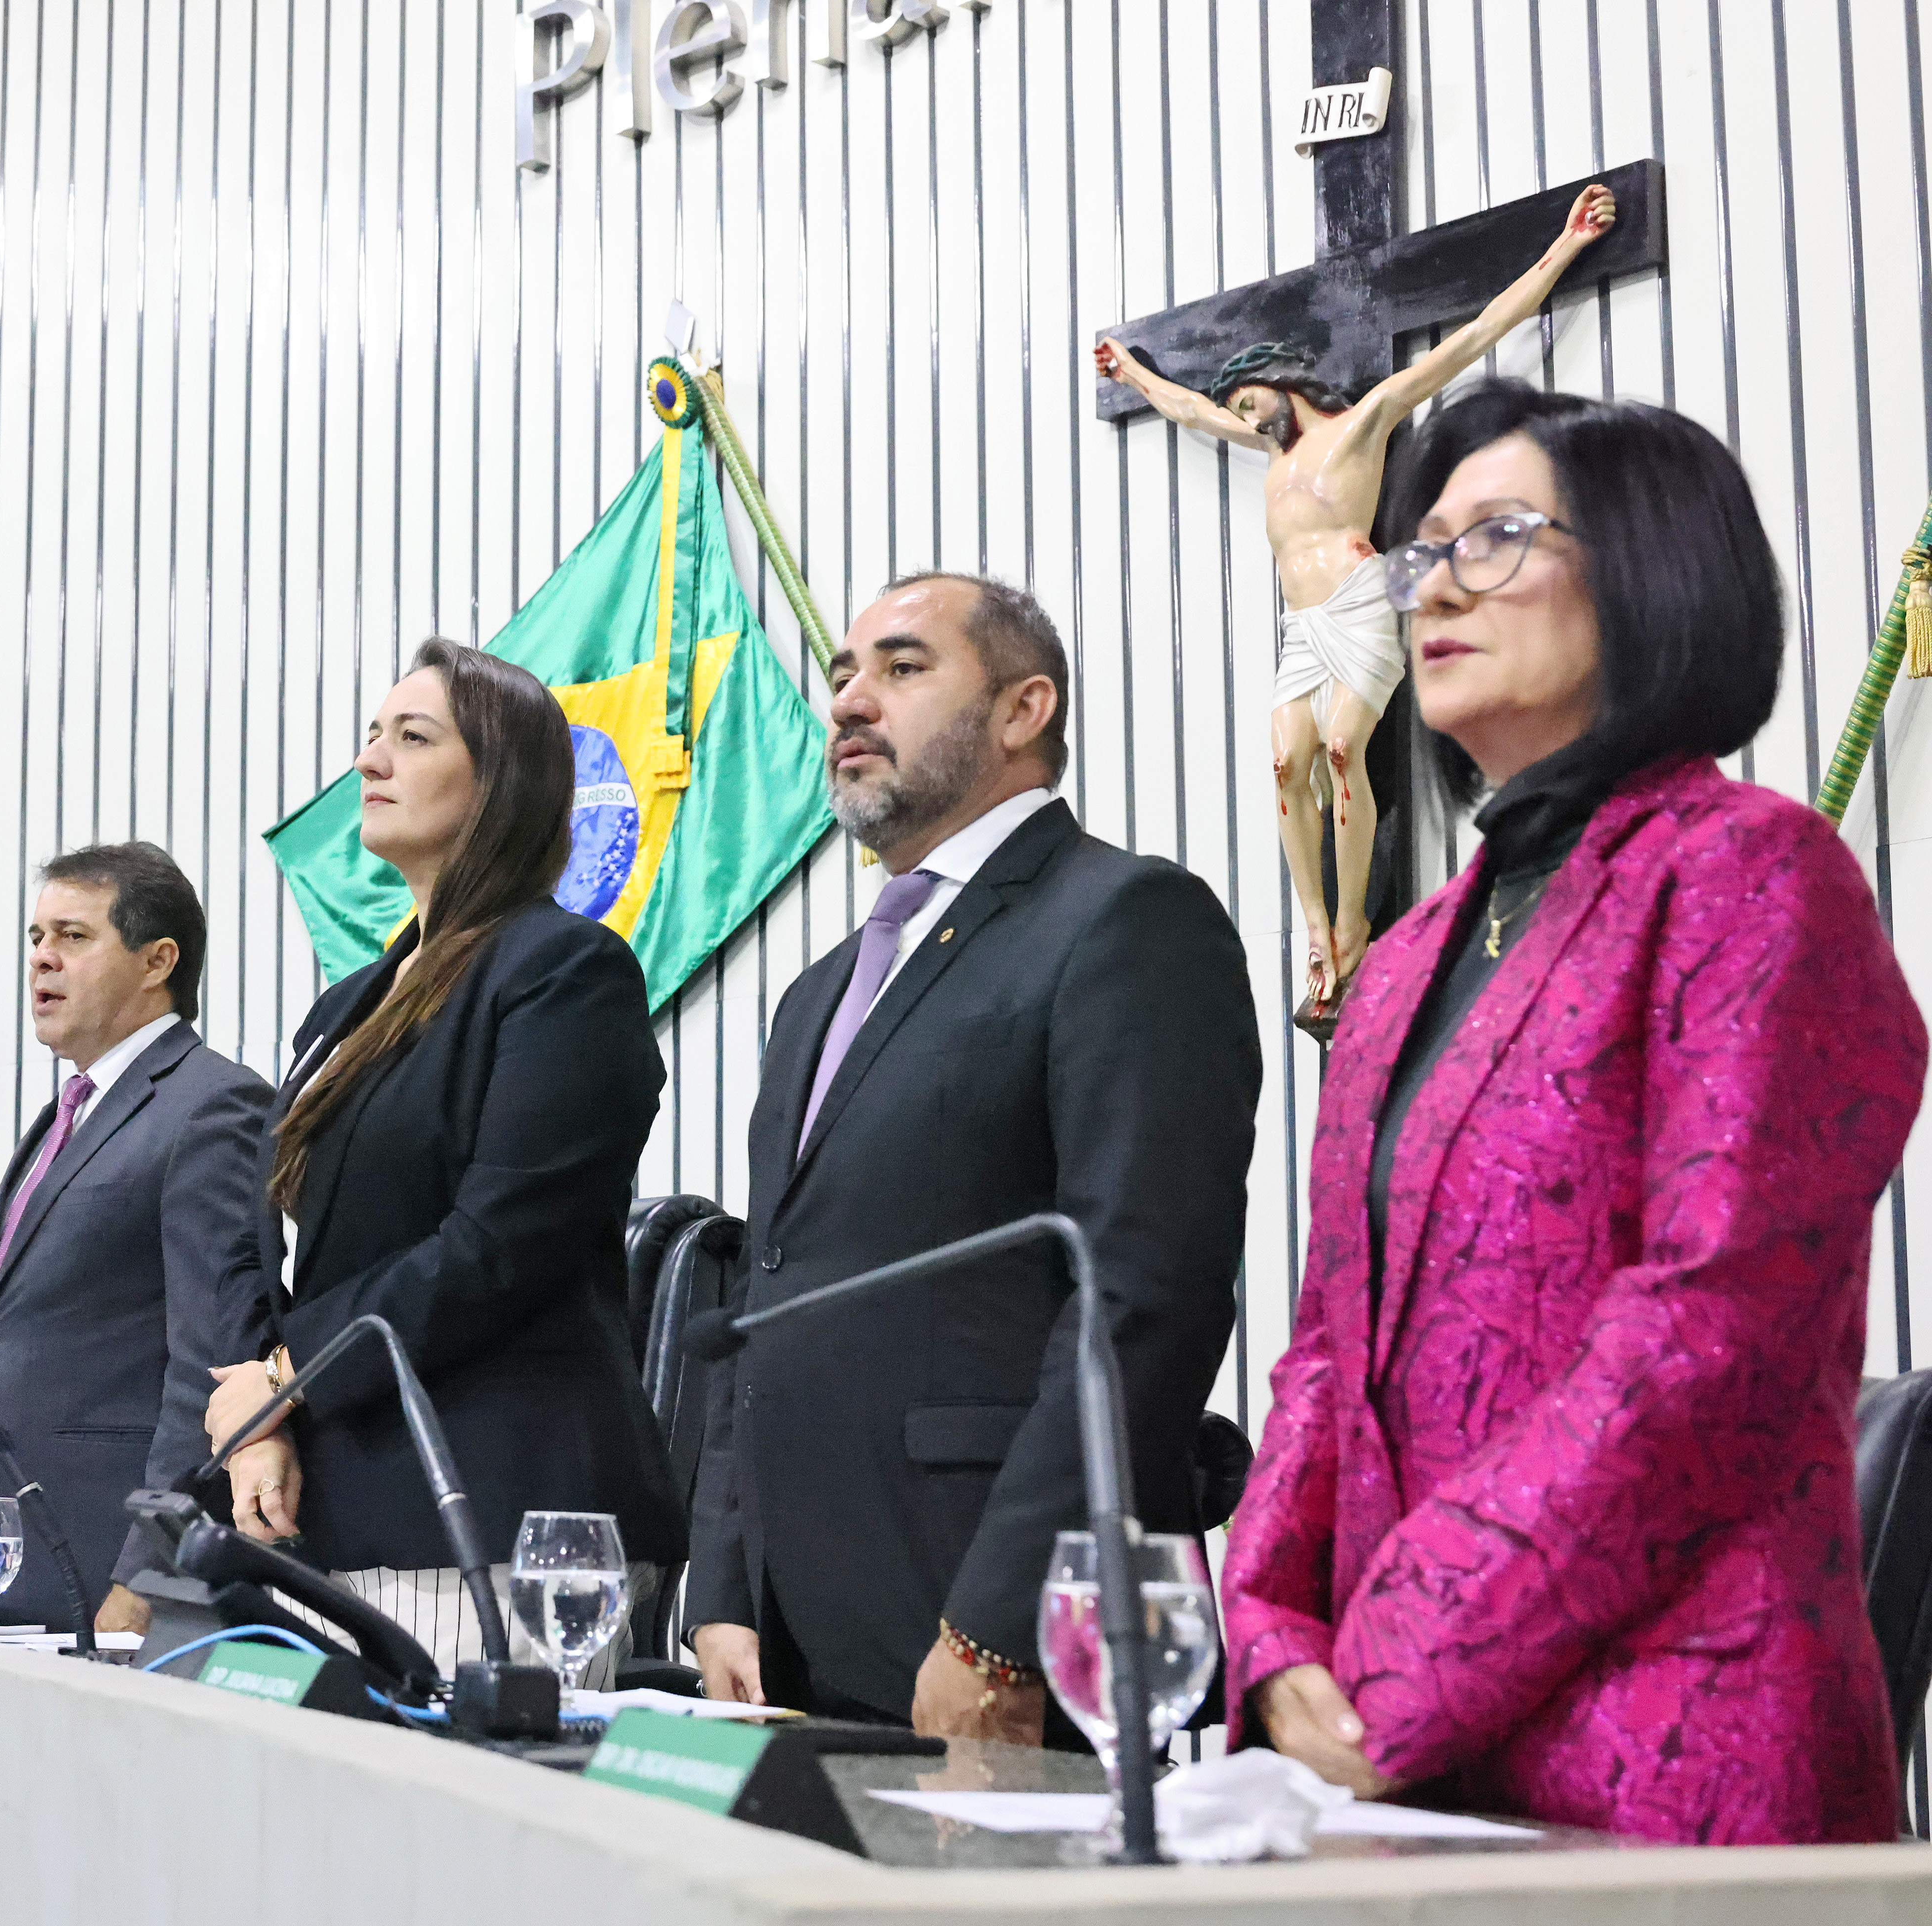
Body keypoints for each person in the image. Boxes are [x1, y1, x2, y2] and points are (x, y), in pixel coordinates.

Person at [1221, 382, 1924, 1844]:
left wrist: (1397, 1668)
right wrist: (1273, 1632)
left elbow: (1707, 1333)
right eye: (1419, 551)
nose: (1430, 587)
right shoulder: (1405, 955)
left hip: (1670, 1739)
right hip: (1388, 1757)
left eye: (1494, 538)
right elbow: (1325, 1350)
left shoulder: (1750, 873)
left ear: (1654, 566)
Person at [686, 573, 1260, 1737]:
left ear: (1021, 710)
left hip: (990, 1620)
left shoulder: (1126, 921)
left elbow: (1142, 1300)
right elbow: (766, 1294)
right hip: (791, 1634)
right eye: (843, 674)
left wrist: (999, 1626)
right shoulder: (816, 996)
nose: (850, 701)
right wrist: (725, 1585)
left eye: (902, 668)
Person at [203, 637, 686, 1671]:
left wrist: (287, 1376)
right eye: (372, 735)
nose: (369, 760)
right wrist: (263, 1422)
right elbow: (265, 1240)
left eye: (412, 738)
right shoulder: (348, 1006)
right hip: (329, 1509)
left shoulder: (565, 970)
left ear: (500, 783)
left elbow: (499, 1248)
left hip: (500, 1510)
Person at [1093, 181, 1616, 1024]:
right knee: (1284, 765)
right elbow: (1187, 408)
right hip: (1302, 625)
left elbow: (1477, 335)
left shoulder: (1364, 421)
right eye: (1236, 412)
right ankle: (1315, 926)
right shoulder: (1265, 449)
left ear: (1277, 383)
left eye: (1247, 401)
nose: (1242, 419)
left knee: (1343, 752)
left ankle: (1351, 925)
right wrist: (1130, 371)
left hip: (1360, 599)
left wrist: (1564, 246)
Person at [0, 844, 271, 1634]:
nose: (42, 959)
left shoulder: (212, 1104)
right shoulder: (66, 1115)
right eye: (37, 938)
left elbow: (212, 1360)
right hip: (9, 1565)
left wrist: (148, 1574)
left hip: (116, 1571)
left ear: (157, 961)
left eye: (73, 937)